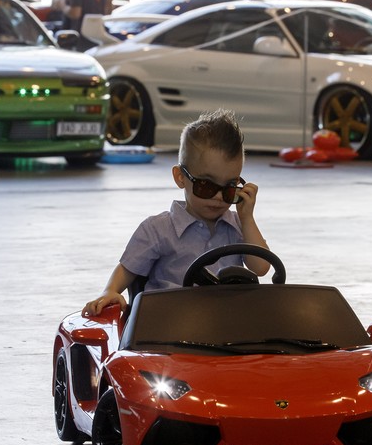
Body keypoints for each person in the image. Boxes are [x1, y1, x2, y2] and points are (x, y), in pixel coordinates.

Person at [83, 109, 271, 316]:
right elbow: (128, 268)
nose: (218, 197)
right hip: (170, 327)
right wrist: (111, 290)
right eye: (206, 186)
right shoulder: (157, 229)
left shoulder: (238, 226)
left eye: (229, 187)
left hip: (226, 325)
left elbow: (261, 268)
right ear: (180, 177)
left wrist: (247, 218)